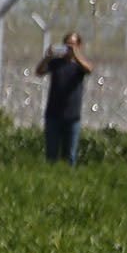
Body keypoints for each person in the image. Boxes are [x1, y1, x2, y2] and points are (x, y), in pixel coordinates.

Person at [37, 32, 93, 166]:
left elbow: (89, 69)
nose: (69, 47)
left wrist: (76, 55)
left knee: (70, 155)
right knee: (51, 153)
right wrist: (47, 57)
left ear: (78, 45)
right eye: (67, 44)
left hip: (72, 116)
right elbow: (39, 71)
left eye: (72, 44)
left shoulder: (79, 66)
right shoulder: (56, 63)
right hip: (53, 115)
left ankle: (69, 179)